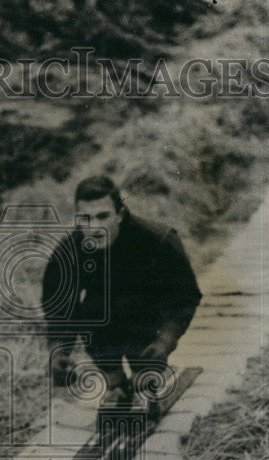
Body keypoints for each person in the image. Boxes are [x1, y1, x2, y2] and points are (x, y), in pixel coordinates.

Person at [42, 175, 202, 411]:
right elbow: (60, 306)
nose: (94, 228)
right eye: (85, 219)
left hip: (146, 320)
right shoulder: (68, 253)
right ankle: (115, 382)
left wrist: (166, 339)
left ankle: (144, 379)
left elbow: (185, 295)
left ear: (120, 214)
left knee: (134, 311)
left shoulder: (157, 241)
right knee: (96, 308)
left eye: (102, 216)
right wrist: (59, 350)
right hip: (103, 327)